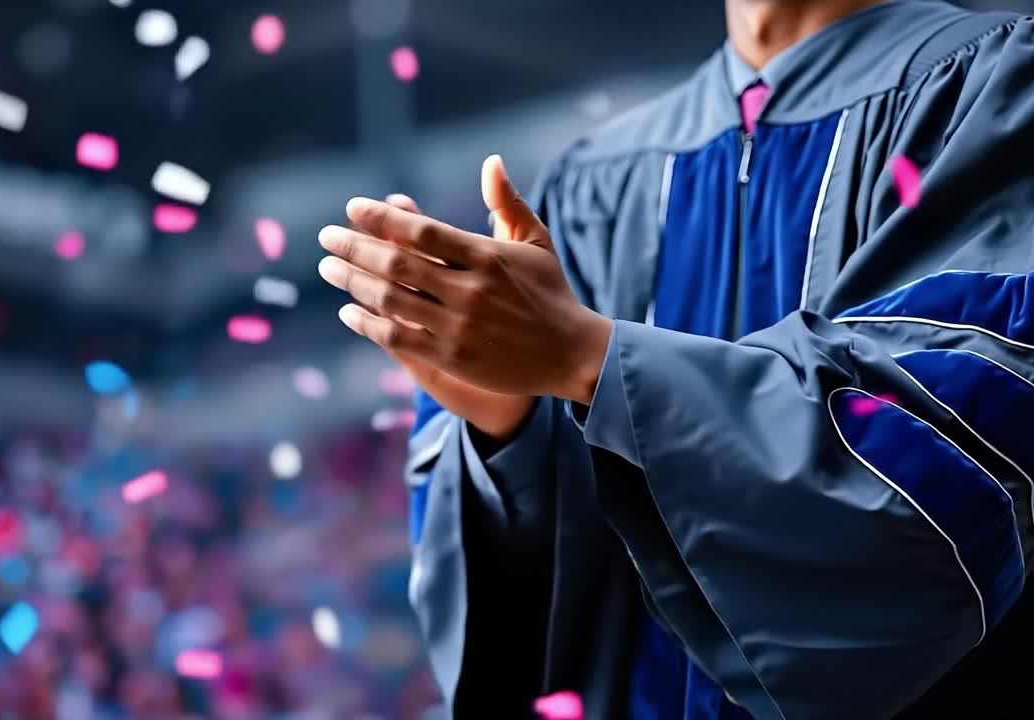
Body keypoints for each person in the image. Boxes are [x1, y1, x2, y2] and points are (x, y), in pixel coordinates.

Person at [316, 0, 1034, 717]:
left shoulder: (999, 89)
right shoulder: (594, 183)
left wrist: (588, 359)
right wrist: (509, 432)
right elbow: (547, 634)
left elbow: (955, 460)